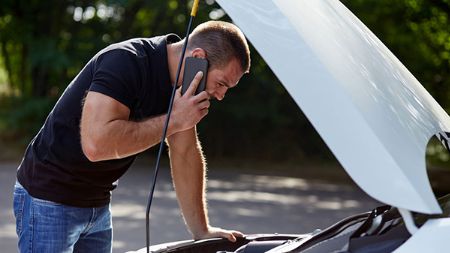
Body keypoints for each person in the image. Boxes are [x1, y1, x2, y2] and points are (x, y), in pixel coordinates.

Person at [13, 20, 251, 253]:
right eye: (221, 83)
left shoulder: (184, 89)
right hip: (48, 198)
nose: (220, 95)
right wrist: (173, 120)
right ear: (198, 58)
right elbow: (96, 146)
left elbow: (185, 152)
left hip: (98, 204)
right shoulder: (125, 61)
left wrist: (202, 231)